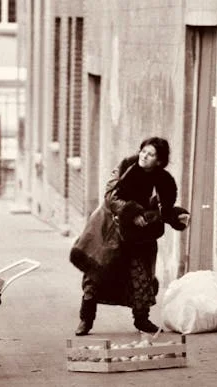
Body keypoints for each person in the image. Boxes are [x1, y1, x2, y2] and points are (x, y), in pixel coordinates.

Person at [69, 136, 191, 336]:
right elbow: (111, 196)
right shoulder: (126, 167)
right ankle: (86, 319)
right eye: (143, 151)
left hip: (140, 235)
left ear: (159, 161)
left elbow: (163, 209)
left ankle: (142, 319)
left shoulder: (164, 181)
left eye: (151, 154)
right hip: (111, 227)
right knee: (96, 273)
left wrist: (175, 216)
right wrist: (132, 212)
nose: (144, 156)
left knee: (141, 275)